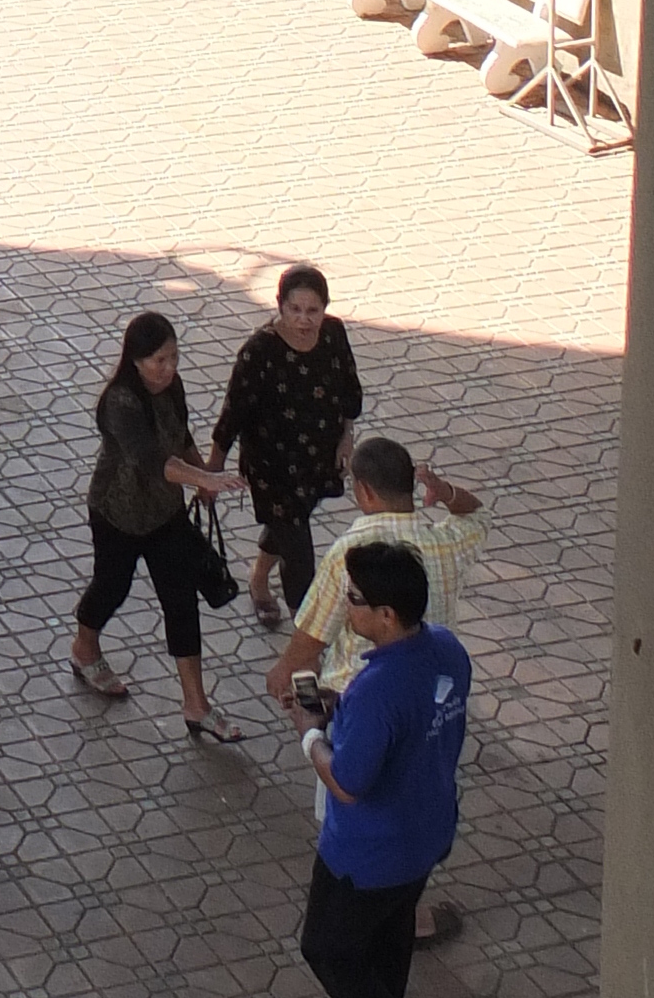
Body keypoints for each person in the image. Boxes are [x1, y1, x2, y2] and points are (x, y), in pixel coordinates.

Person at [272, 440, 487, 943]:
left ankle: (365, 927)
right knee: (414, 806)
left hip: (358, 710)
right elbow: (478, 517)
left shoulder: (353, 554)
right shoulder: (445, 544)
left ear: (362, 490)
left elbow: (312, 636)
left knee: (347, 821)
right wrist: (447, 490)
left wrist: (291, 691)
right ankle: (405, 912)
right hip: (426, 707)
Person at [297, 540, 472, 998]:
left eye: (356, 601)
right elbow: (410, 726)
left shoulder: (378, 690)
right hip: (425, 835)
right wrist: (342, 712)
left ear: (388, 616)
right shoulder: (446, 649)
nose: (348, 608)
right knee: (390, 938)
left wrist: (312, 733)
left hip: (366, 855)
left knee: (327, 949)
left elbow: (347, 781)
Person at [70, 309, 246, 741]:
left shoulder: (173, 387)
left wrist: (201, 472)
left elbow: (180, 437)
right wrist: (204, 478)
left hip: (165, 514)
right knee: (112, 585)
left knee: (180, 600)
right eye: (158, 361)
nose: (168, 369)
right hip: (119, 514)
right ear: (135, 360)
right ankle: (84, 646)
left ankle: (196, 705)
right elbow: (152, 461)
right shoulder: (121, 401)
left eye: (173, 358)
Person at [211, 262, 362, 625]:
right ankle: (304, 634)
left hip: (318, 455)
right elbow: (233, 413)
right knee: (299, 552)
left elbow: (348, 389)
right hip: (272, 467)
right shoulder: (258, 352)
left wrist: (346, 436)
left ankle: (259, 577)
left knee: (291, 524)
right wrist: (211, 473)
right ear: (280, 306)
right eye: (295, 310)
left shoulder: (333, 334)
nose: (304, 320)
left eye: (313, 311)